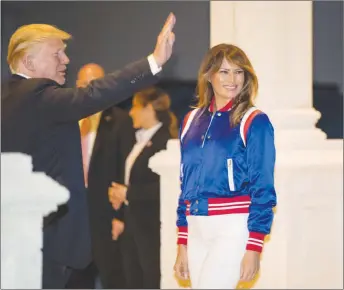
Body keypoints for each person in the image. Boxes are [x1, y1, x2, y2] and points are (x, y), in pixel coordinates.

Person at [1, 13, 176, 289]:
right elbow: (94, 94)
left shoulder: (8, 98)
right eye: (57, 54)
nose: (66, 61)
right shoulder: (37, 96)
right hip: (47, 240)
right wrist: (153, 61)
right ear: (29, 61)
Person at [173, 43, 277, 289]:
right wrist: (182, 242)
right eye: (224, 71)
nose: (233, 79)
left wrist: (254, 245)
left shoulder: (254, 121)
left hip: (232, 227)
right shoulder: (190, 121)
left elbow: (263, 186)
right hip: (196, 226)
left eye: (238, 72)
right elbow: (184, 185)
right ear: (208, 75)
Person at [108, 87, 178, 289]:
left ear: (148, 109)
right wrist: (120, 197)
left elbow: (166, 188)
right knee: (133, 280)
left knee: (150, 280)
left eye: (135, 107)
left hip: (151, 227)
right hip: (134, 224)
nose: (130, 112)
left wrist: (128, 193)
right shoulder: (141, 139)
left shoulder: (166, 141)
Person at [77, 63, 133, 288]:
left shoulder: (120, 120)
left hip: (106, 214)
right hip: (74, 214)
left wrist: (120, 215)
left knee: (112, 276)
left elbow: (125, 169)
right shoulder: (69, 120)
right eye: (83, 84)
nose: (88, 89)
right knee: (77, 277)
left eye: (94, 84)